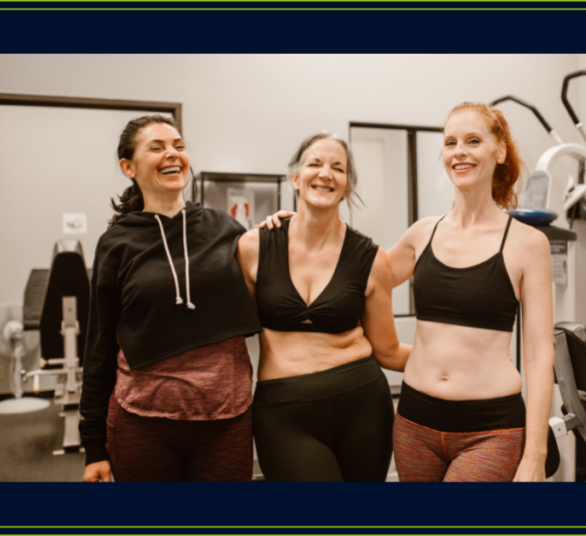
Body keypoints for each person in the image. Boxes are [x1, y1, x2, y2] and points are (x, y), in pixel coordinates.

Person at [79, 115, 263, 482]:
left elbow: (272, 283)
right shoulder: (117, 244)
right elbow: (98, 343)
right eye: (157, 147)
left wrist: (292, 227)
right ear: (128, 167)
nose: (173, 154)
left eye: (179, 145)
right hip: (143, 422)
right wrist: (94, 444)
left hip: (226, 418)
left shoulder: (224, 227)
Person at [387, 102, 554, 482]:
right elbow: (361, 277)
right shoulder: (422, 232)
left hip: (490, 431)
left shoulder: (528, 243)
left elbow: (540, 354)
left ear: (499, 151)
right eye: (450, 142)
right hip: (414, 424)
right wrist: (301, 223)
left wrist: (535, 455)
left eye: (473, 140)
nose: (459, 151)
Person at [235, 133, 411, 482]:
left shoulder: (371, 259)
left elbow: (387, 349)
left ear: (346, 186)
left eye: (338, 168)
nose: (326, 173)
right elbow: (232, 328)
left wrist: (458, 365)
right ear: (296, 178)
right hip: (284, 409)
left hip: (363, 403)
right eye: (314, 164)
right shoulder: (253, 246)